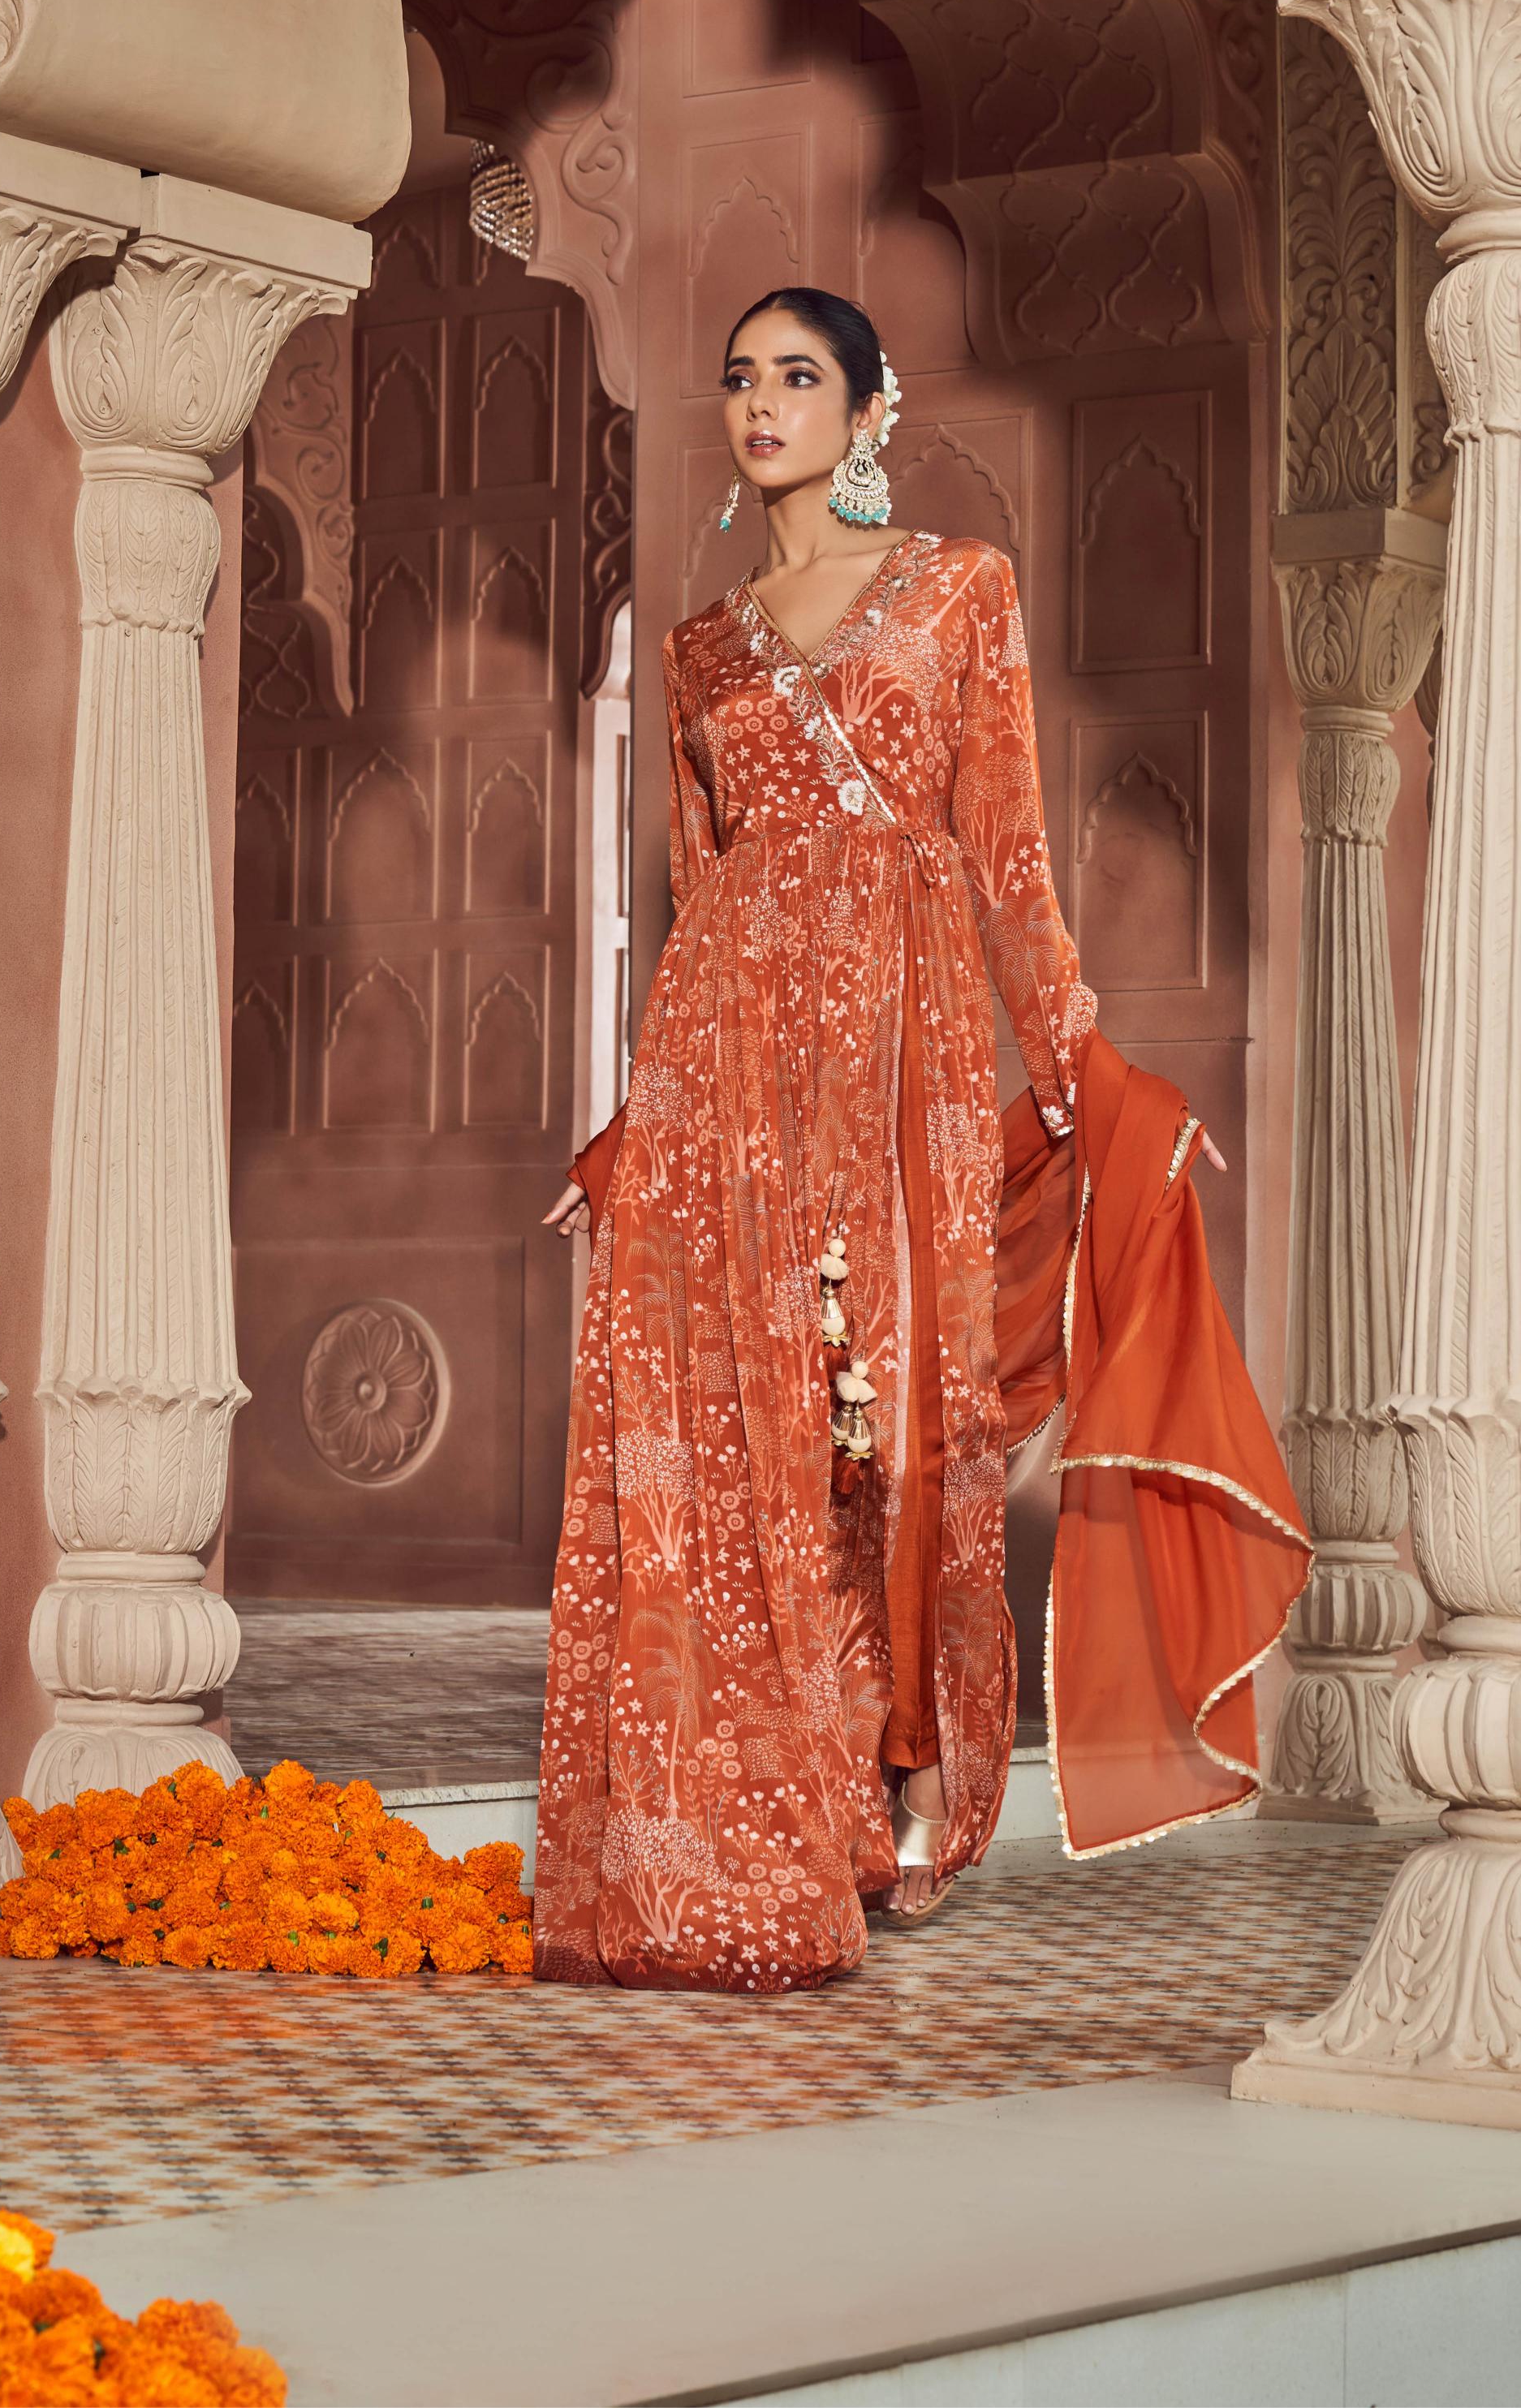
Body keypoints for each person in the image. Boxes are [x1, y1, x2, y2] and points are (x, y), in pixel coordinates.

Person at [533, 287, 1288, 1992]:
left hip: (906, 1049)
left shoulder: (960, 592)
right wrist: (628, 1132)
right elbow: (694, 901)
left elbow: (1010, 854)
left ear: (869, 409)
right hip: (730, 1059)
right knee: (737, 1421)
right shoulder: (703, 647)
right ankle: (757, 1813)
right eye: (739, 376)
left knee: (893, 1412)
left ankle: (902, 1779)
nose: (760, 402)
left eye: (798, 375)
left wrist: (1094, 1077)